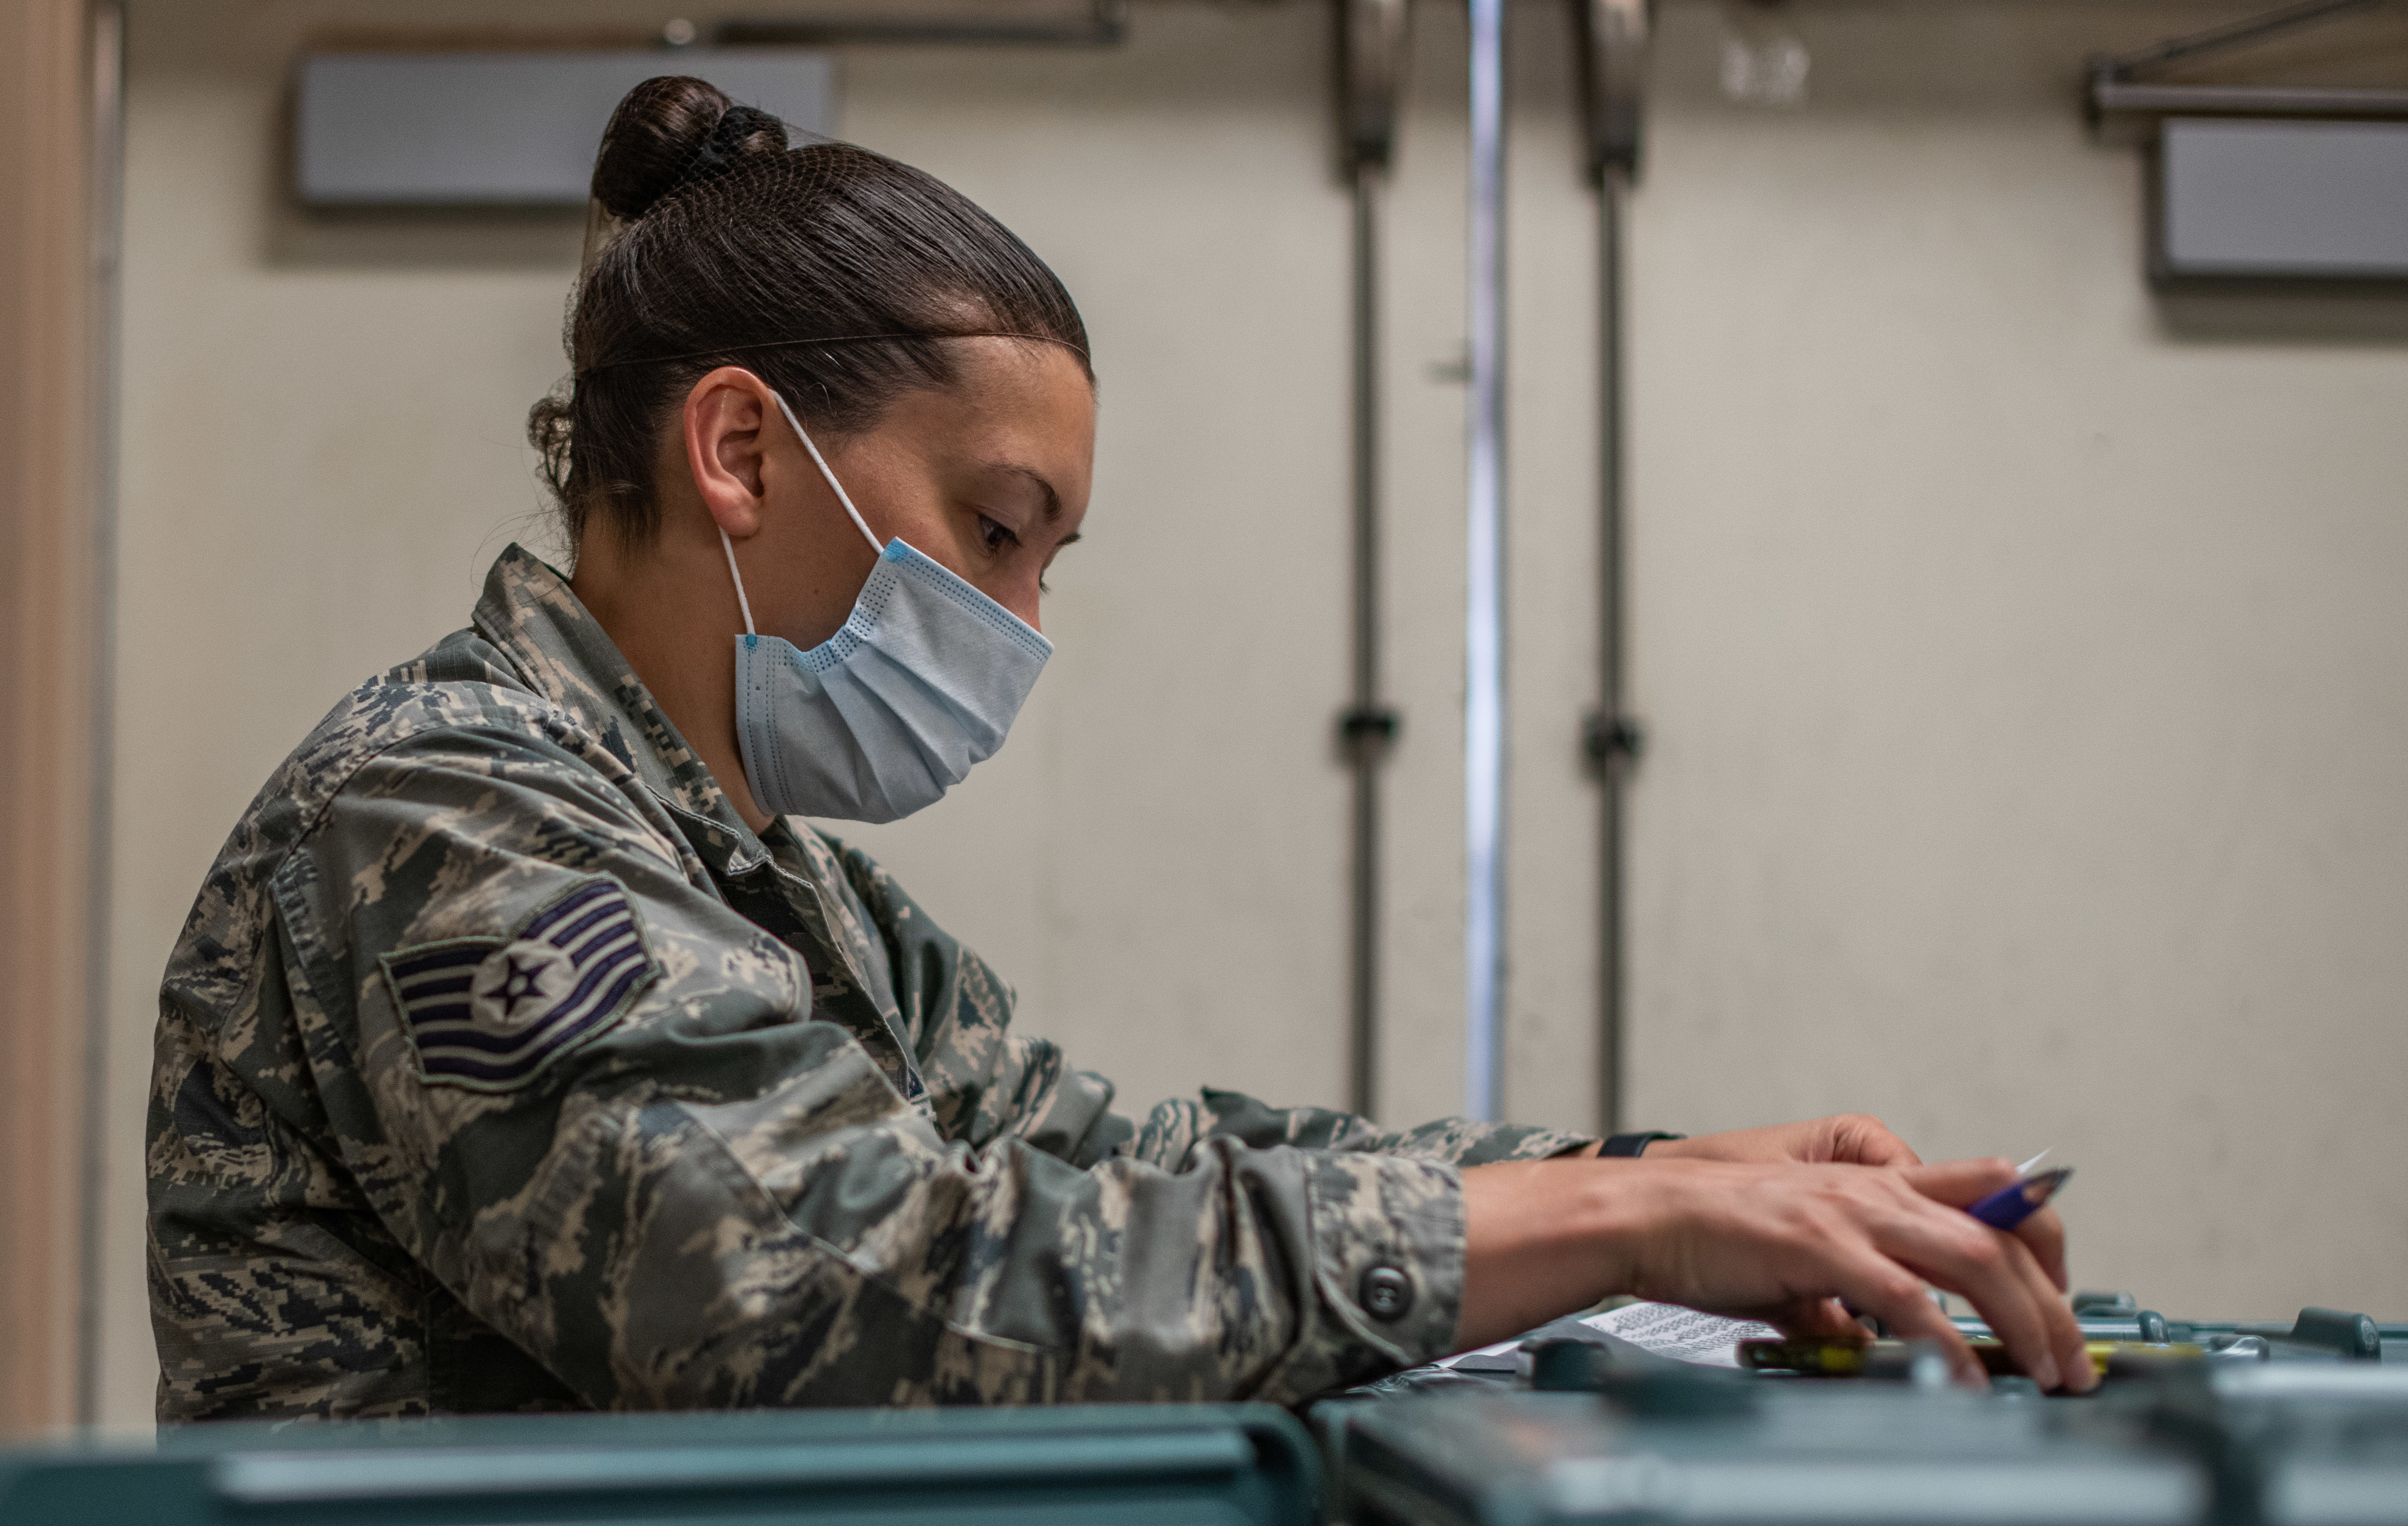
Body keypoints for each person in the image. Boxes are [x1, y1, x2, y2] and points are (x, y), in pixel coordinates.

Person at [145, 77, 2091, 1421]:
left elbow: (1112, 1168)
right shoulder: (441, 819)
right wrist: (1624, 1227)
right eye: (996, 532)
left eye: (1048, 562)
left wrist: (1645, 1175)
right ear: (738, 453)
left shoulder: (771, 879)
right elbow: (852, 1295)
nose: (1017, 626)